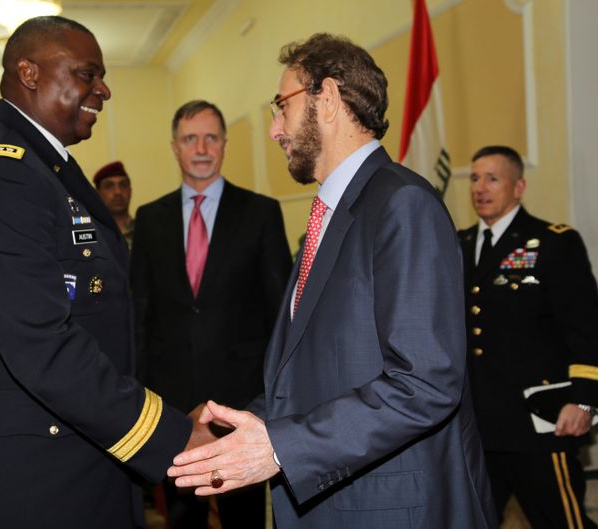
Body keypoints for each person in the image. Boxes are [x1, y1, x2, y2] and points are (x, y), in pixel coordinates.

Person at [167, 33, 497, 529]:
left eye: (281, 107)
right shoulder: (329, 216)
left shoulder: (401, 204)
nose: (275, 130)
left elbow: (425, 382)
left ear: (327, 99)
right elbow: (313, 371)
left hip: (390, 508)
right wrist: (237, 426)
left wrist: (281, 448)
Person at [0, 16, 207, 529]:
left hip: (77, 454)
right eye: (87, 74)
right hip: (28, 484)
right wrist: (173, 437)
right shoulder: (0, 179)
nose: (103, 90)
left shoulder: (44, 170)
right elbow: (43, 345)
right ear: (29, 73)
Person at [130, 99, 292, 529]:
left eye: (210, 137)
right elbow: (140, 313)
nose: (201, 148)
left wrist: (272, 400)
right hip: (170, 406)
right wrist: (141, 396)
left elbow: (281, 315)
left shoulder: (261, 213)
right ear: (174, 147)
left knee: (243, 519)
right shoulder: (149, 220)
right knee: (182, 517)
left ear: (224, 144)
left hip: (240, 407)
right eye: (190, 138)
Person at [459, 145, 598, 528]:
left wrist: (585, 401)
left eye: (492, 178)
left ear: (518, 186)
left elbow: (586, 327)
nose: (480, 187)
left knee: (562, 522)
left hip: (538, 423)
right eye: (475, 178)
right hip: (477, 427)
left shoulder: (552, 243)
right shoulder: (456, 245)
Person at [93, 160, 134, 247]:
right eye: (109, 186)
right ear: (98, 193)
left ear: (130, 191)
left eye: (123, 185)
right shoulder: (92, 233)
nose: (118, 192)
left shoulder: (145, 231)